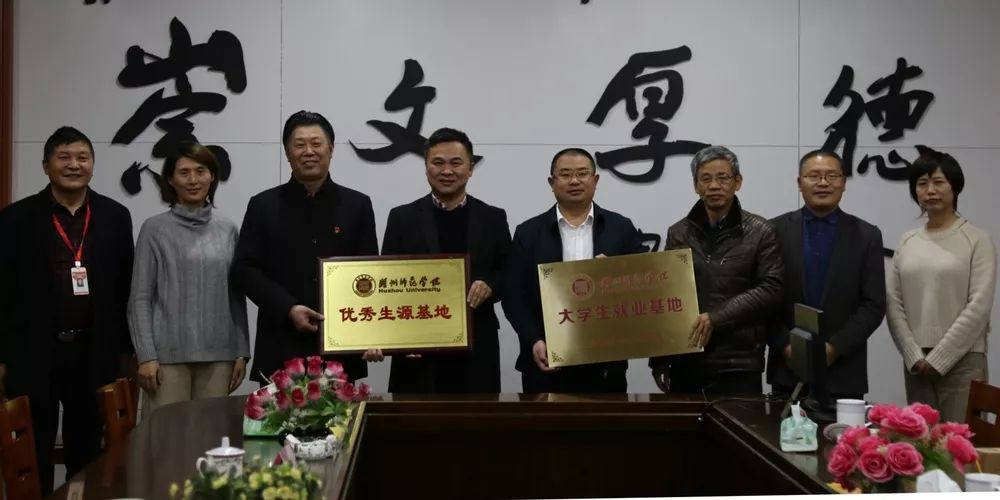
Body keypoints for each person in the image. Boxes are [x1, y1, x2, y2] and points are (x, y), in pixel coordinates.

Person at [0, 126, 134, 494]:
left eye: (82, 157)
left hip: (93, 351)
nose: (74, 165)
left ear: (93, 164)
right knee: (33, 447)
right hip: (33, 352)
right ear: (46, 166)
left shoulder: (115, 216)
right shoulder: (15, 219)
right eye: (64, 157)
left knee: (88, 450)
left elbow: (125, 288)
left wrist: (125, 352)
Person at [231, 111, 381, 385]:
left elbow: (369, 273)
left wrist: (371, 333)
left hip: (340, 348)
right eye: (299, 145)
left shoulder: (357, 205)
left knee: (338, 415)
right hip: (280, 343)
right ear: (288, 153)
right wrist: (288, 308)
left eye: (316, 143)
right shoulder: (263, 205)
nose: (309, 151)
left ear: (331, 149)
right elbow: (244, 270)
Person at [503, 148, 646, 393]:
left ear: (595, 180)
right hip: (546, 361)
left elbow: (644, 285)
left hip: (605, 363)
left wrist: (616, 276)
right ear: (552, 183)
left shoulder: (620, 228)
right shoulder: (528, 233)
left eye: (582, 173)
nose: (574, 181)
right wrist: (534, 339)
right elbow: (513, 297)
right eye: (566, 174)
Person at [381, 128, 511, 393]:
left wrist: (490, 284)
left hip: (477, 344)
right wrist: (397, 338)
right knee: (414, 417)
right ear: (426, 167)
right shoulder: (402, 218)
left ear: (471, 168)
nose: (447, 171)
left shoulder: (493, 218)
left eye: (456, 163)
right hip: (417, 344)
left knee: (476, 417)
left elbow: (509, 272)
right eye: (438, 162)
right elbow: (386, 280)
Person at [650, 145, 783, 396]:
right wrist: (659, 358)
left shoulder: (762, 231)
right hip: (687, 360)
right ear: (696, 185)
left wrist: (716, 318)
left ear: (737, 182)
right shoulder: (678, 233)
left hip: (739, 363)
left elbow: (771, 288)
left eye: (722, 178)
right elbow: (667, 293)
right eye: (706, 178)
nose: (714, 186)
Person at [128, 142, 250, 414]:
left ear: (212, 176)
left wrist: (242, 352)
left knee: (211, 433)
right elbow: (140, 298)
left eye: (201, 171)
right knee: (166, 435)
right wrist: (146, 355)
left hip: (220, 357)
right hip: (166, 358)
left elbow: (235, 295)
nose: (193, 180)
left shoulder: (228, 230)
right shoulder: (154, 229)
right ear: (170, 179)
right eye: (184, 173)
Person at [887, 146, 996, 423]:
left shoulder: (976, 239)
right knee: (921, 442)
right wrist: (912, 354)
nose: (930, 191)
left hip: (964, 360)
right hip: (916, 363)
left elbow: (979, 307)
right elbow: (893, 303)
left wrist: (939, 358)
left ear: (954, 187)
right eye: (922, 184)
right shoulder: (908, 241)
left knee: (961, 443)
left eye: (939, 182)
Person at [767, 150, 886, 400]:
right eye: (814, 176)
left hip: (844, 372)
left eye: (831, 176)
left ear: (843, 182)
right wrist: (785, 345)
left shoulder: (867, 236)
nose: (823, 183)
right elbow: (763, 299)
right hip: (788, 369)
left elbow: (873, 304)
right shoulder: (773, 231)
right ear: (799, 183)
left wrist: (836, 347)